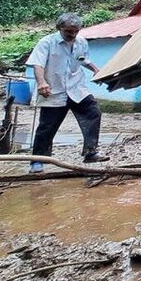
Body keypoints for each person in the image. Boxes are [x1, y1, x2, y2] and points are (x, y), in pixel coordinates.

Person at [26, 13, 109, 172]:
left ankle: (90, 153)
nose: (72, 34)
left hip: (76, 88)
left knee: (93, 112)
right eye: (68, 31)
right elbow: (38, 64)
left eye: (76, 31)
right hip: (54, 90)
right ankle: (37, 161)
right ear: (59, 28)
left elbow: (83, 59)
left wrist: (97, 71)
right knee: (47, 126)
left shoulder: (81, 42)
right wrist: (42, 82)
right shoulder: (46, 43)